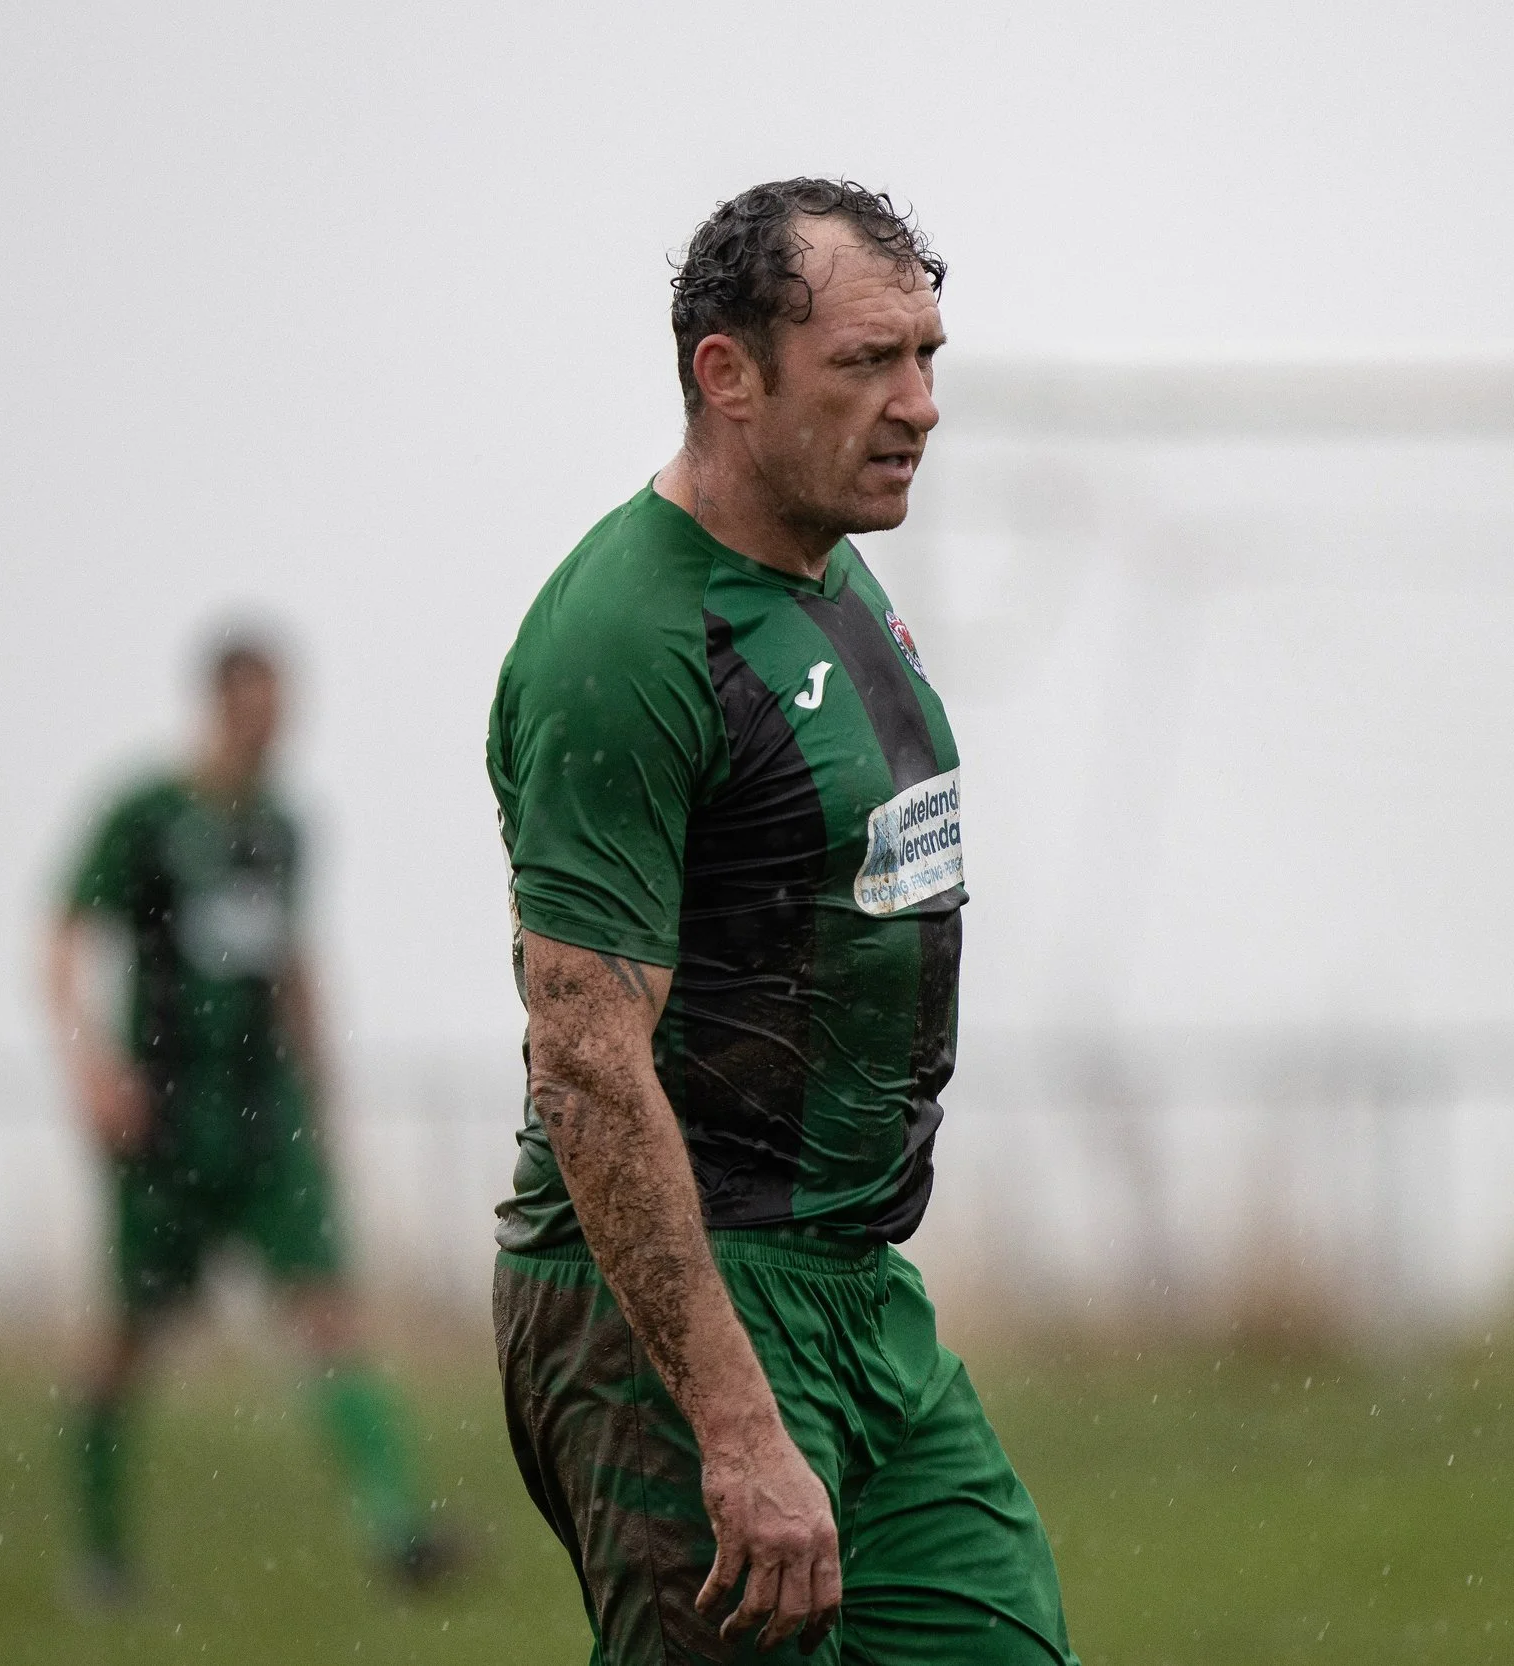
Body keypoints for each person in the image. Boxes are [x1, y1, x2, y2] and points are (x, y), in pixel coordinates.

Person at [486, 179, 1080, 1664]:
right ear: (727, 376)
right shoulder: (625, 639)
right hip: (681, 1305)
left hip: (858, 1288)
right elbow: (585, 1059)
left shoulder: (837, 575)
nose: (921, 404)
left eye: (929, 356)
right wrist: (735, 1423)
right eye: (868, 363)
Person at [44, 630, 455, 1602]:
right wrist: (91, 1068)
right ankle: (101, 1559)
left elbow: (293, 964)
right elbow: (63, 938)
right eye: (256, 707)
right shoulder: (144, 815)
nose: (273, 729)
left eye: (284, 710)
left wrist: (325, 1089)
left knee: (329, 1315)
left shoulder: (282, 826)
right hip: (167, 1123)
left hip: (267, 1120)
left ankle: (396, 1531)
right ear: (218, 703)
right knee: (124, 1342)